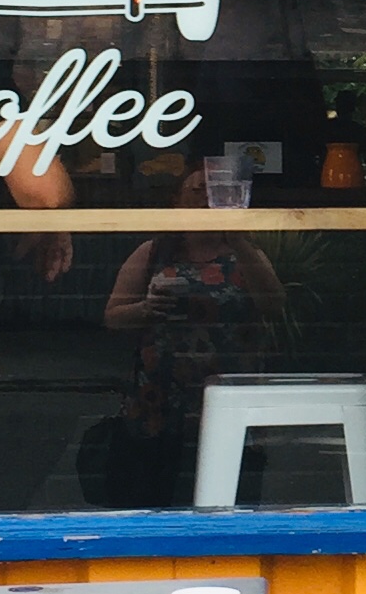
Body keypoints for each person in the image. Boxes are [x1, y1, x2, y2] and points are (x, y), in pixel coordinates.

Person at [94, 163, 283, 504]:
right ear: (176, 201)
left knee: (232, 493)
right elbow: (112, 316)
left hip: (229, 392)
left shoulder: (245, 254)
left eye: (213, 193)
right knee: (156, 491)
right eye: (196, 192)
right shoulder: (153, 252)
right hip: (161, 397)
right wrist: (145, 310)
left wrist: (237, 239)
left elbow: (273, 305)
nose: (205, 200)